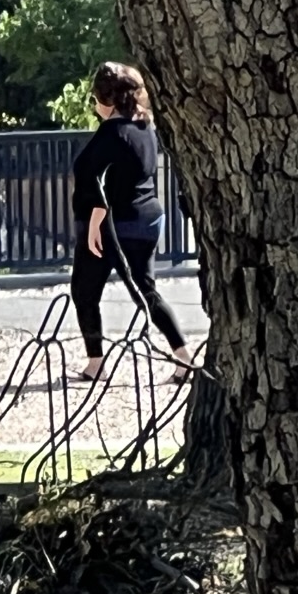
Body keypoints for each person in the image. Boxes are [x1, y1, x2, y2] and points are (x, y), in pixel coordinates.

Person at [69, 62, 192, 382]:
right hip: (149, 217)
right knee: (147, 290)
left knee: (84, 290)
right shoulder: (145, 126)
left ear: (104, 100)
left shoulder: (112, 130)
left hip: (115, 223)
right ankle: (183, 357)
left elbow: (87, 173)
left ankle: (95, 364)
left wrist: (96, 219)